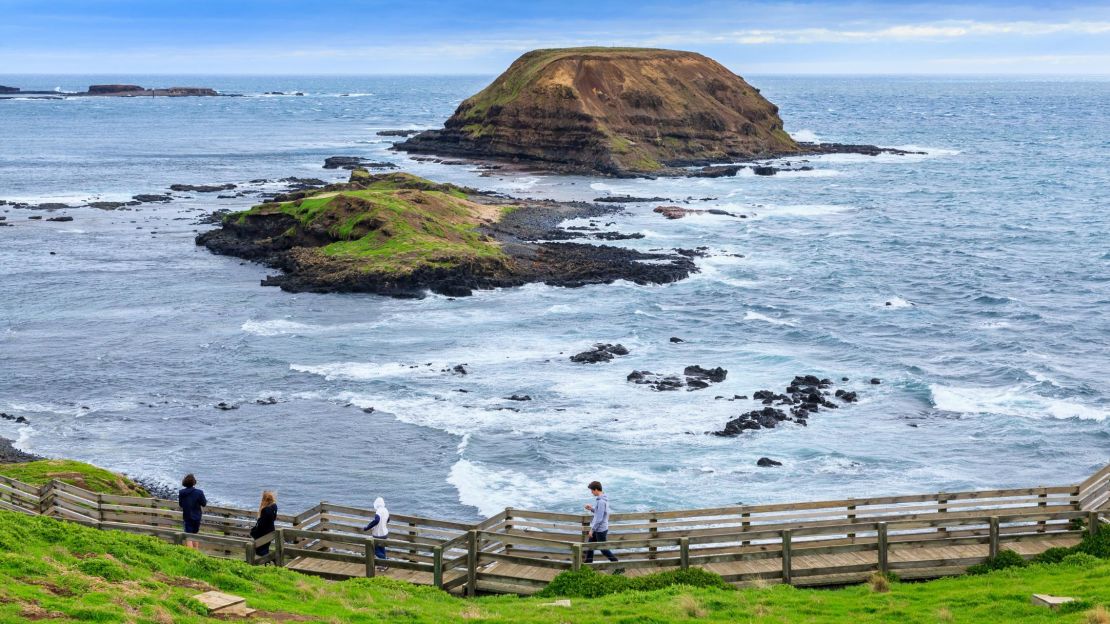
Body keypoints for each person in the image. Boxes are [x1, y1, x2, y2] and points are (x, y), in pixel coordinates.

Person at [584, 481, 618, 564]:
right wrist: (591, 509)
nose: (591, 492)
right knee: (590, 546)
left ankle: (617, 564)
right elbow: (599, 512)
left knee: (603, 549)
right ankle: (588, 565)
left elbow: (599, 518)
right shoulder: (602, 499)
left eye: (592, 490)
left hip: (600, 529)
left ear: (596, 490)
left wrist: (592, 530)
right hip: (598, 528)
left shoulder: (601, 501)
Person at [178, 474, 207, 549]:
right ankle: (195, 552)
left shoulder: (181, 492)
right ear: (194, 482)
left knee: (188, 536)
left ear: (184, 482)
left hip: (187, 516)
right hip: (197, 516)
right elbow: (204, 503)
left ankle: (191, 553)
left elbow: (181, 504)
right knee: (195, 534)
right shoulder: (199, 492)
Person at [363, 497, 390, 571]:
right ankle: (384, 565)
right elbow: (388, 519)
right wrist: (383, 525)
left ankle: (386, 561)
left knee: (375, 550)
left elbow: (377, 520)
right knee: (382, 548)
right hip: (385, 533)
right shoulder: (386, 510)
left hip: (378, 534)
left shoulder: (378, 511)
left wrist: (367, 527)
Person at [250, 491, 278, 557]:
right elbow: (272, 519)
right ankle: (268, 562)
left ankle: (271, 559)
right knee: (265, 549)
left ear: (265, 500)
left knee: (261, 551)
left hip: (263, 533)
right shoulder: (274, 507)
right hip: (270, 531)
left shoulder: (266, 510)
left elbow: (262, 524)